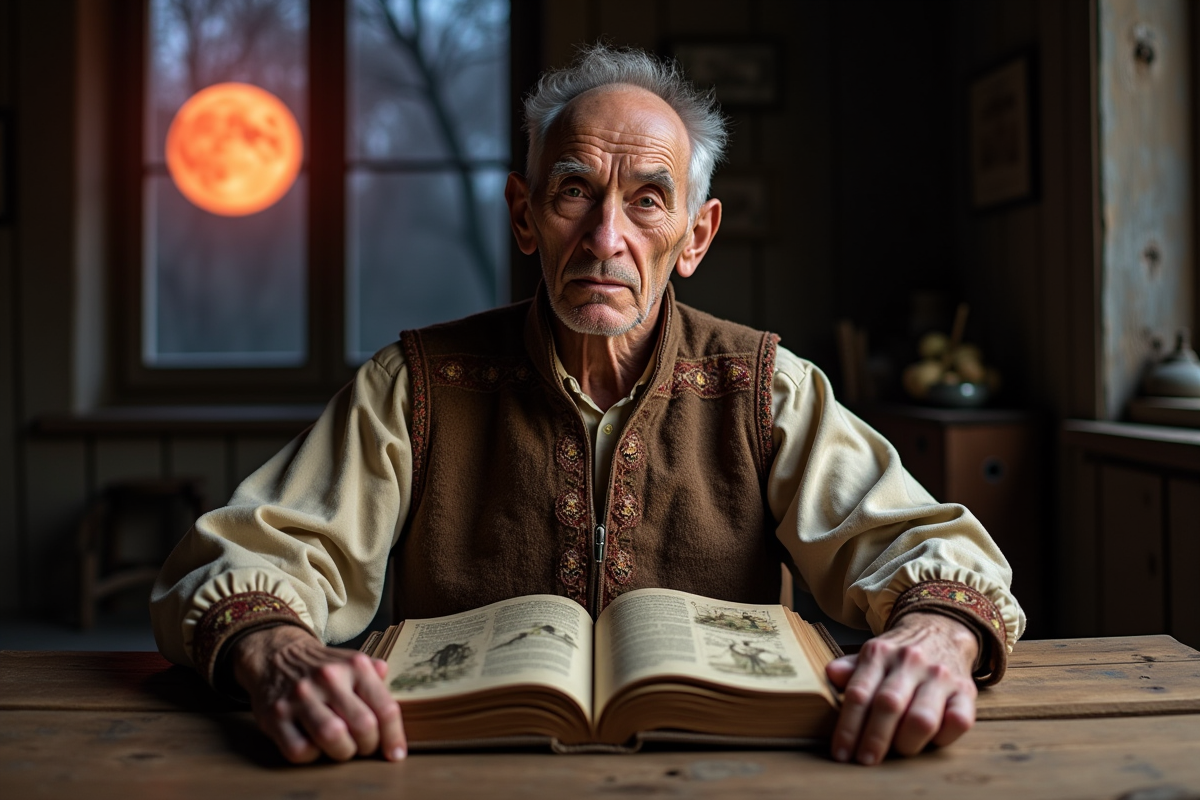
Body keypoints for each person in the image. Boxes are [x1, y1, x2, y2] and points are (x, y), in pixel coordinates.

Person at [151, 44, 1024, 768]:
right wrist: (279, 653)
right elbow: (248, 553)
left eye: (648, 200)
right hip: (452, 776)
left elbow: (927, 546)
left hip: (724, 777)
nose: (607, 238)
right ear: (525, 216)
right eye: (574, 192)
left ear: (696, 235)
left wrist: (938, 635)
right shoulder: (414, 385)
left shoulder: (767, 387)